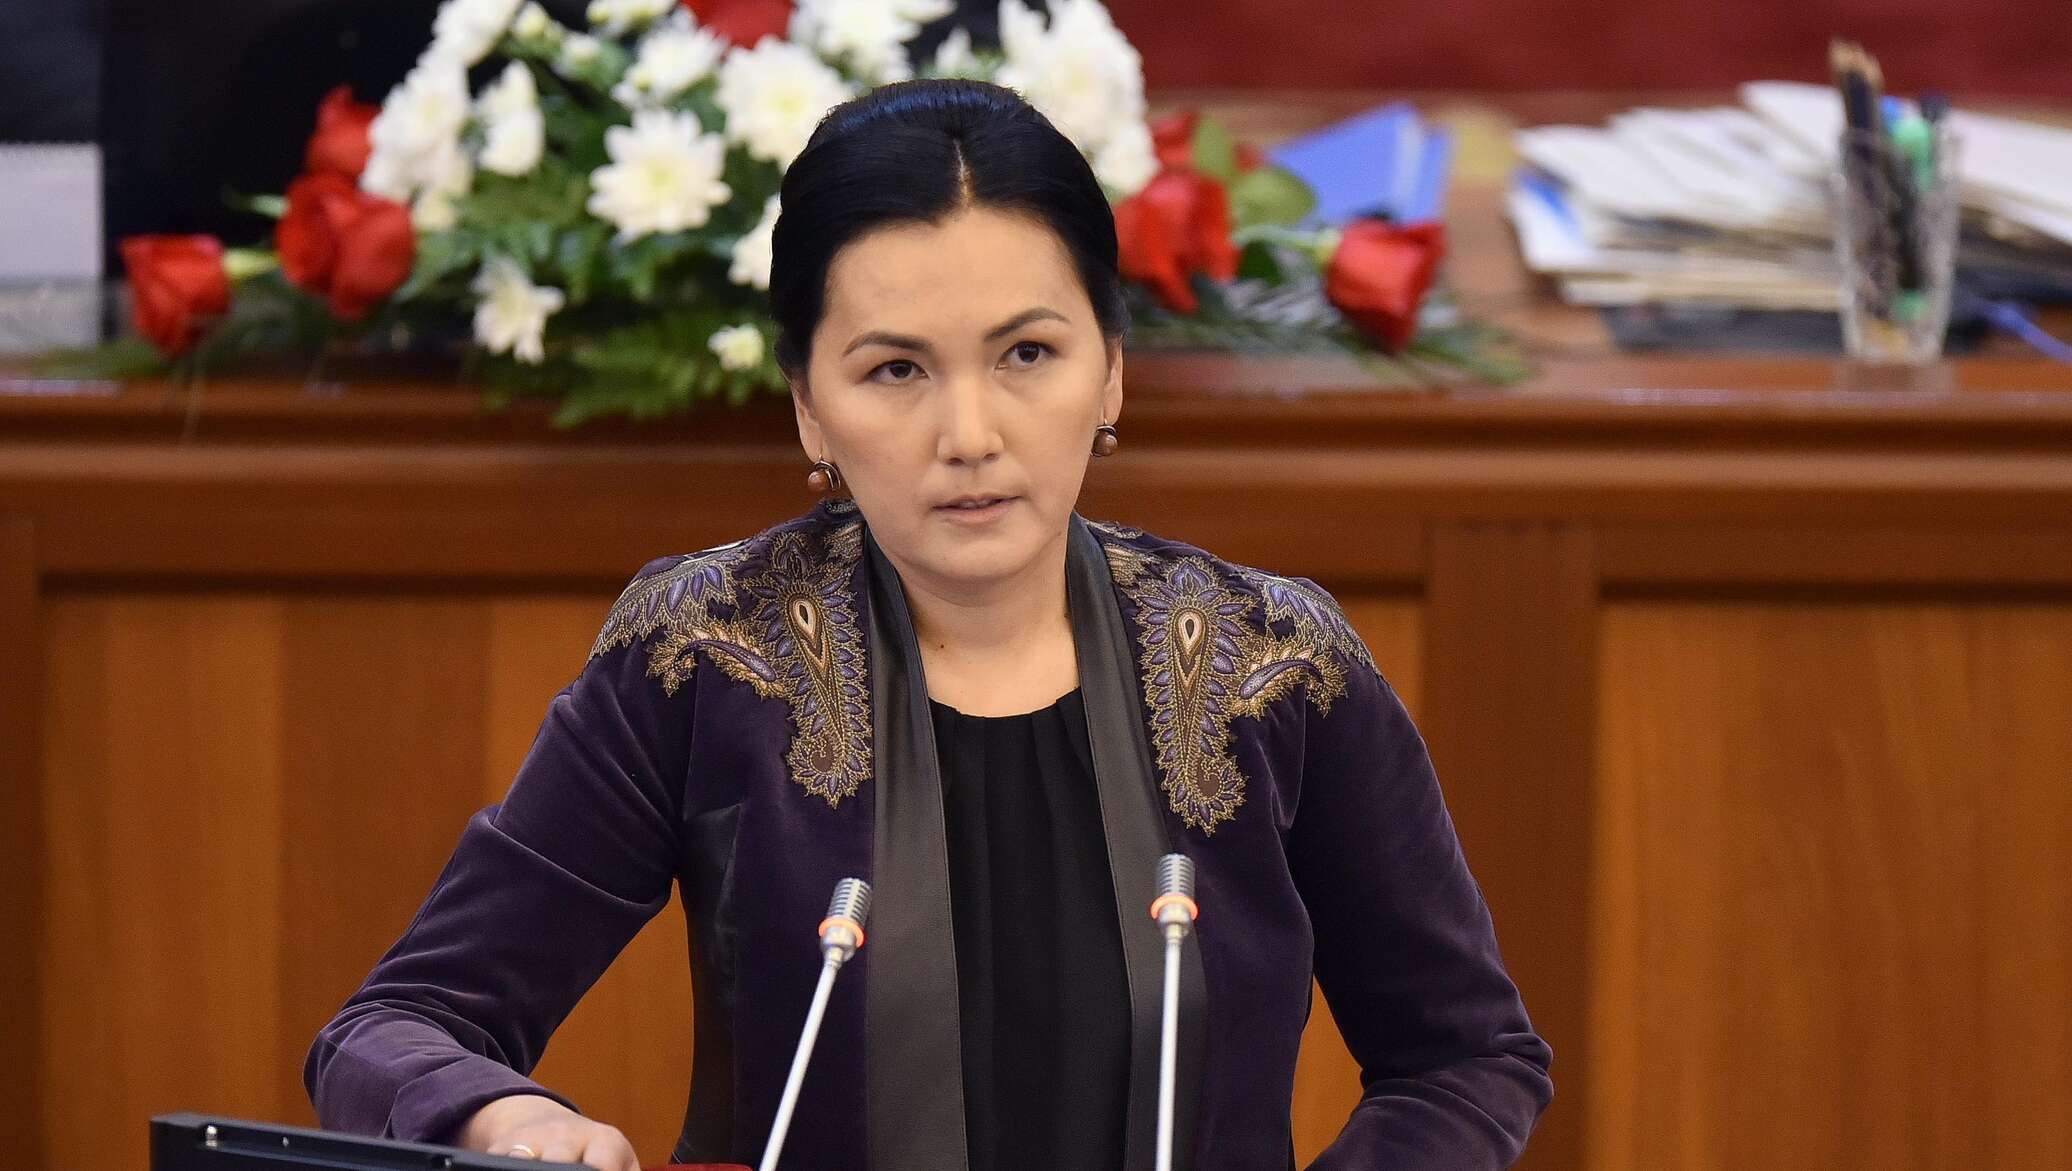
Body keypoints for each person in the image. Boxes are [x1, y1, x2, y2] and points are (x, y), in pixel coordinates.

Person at [304, 77, 1553, 1171]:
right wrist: (503, 1116)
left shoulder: (1273, 667)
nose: (969, 435)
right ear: (808, 405)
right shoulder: (702, 654)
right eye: (894, 370)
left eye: (1026, 354)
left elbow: (1464, 1058)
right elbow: (393, 1030)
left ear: (1111, 369)